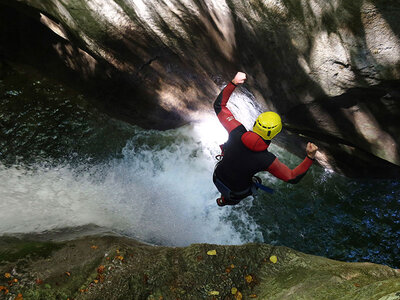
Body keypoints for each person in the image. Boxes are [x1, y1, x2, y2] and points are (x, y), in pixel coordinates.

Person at [213, 72, 318, 206]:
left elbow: (219, 106)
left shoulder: (235, 131)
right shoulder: (267, 160)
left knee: (230, 154)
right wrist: (310, 157)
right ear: (274, 134)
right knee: (256, 183)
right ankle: (225, 200)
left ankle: (224, 199)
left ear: (256, 123)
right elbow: (292, 177)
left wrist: (234, 82)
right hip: (236, 191)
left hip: (217, 176)